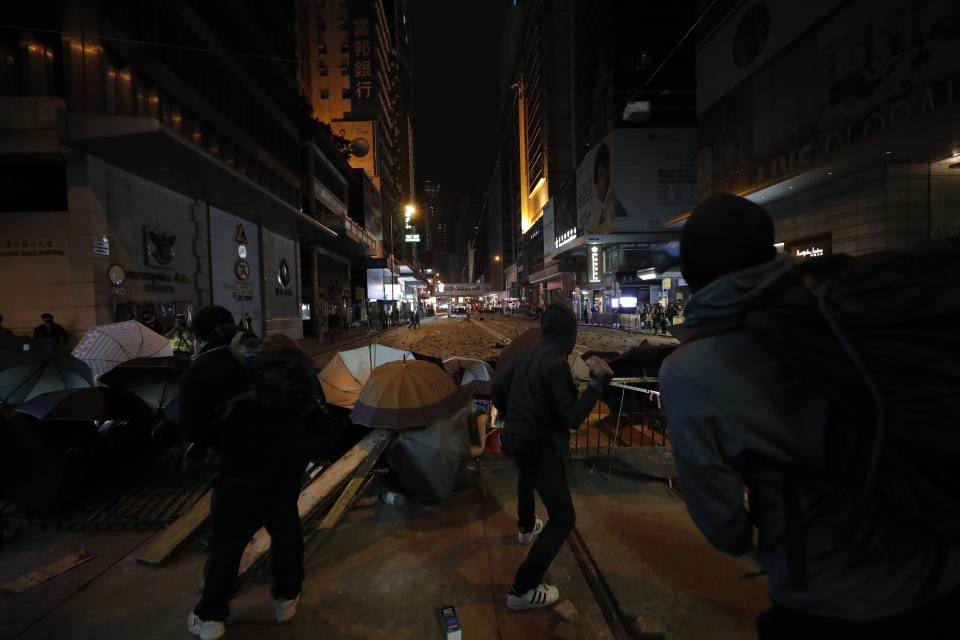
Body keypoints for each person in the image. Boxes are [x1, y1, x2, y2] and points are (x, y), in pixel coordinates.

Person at [658, 194, 960, 639]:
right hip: (942, 564)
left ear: (691, 274)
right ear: (769, 252)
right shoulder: (839, 304)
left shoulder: (691, 369)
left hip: (835, 596)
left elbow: (723, 523)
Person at [180, 306, 311, 639]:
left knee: (227, 540)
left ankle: (210, 618)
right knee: (285, 527)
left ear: (200, 334)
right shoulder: (272, 354)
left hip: (238, 466)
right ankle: (286, 598)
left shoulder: (203, 369)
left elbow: (193, 429)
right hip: (285, 460)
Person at [491, 303, 613, 611]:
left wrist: (506, 412)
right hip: (539, 445)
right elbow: (572, 417)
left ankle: (525, 527)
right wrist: (597, 385)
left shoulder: (528, 354)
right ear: (569, 334)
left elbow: (497, 385)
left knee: (526, 475)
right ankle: (522, 590)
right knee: (563, 519)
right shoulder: (557, 364)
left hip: (515, 439)